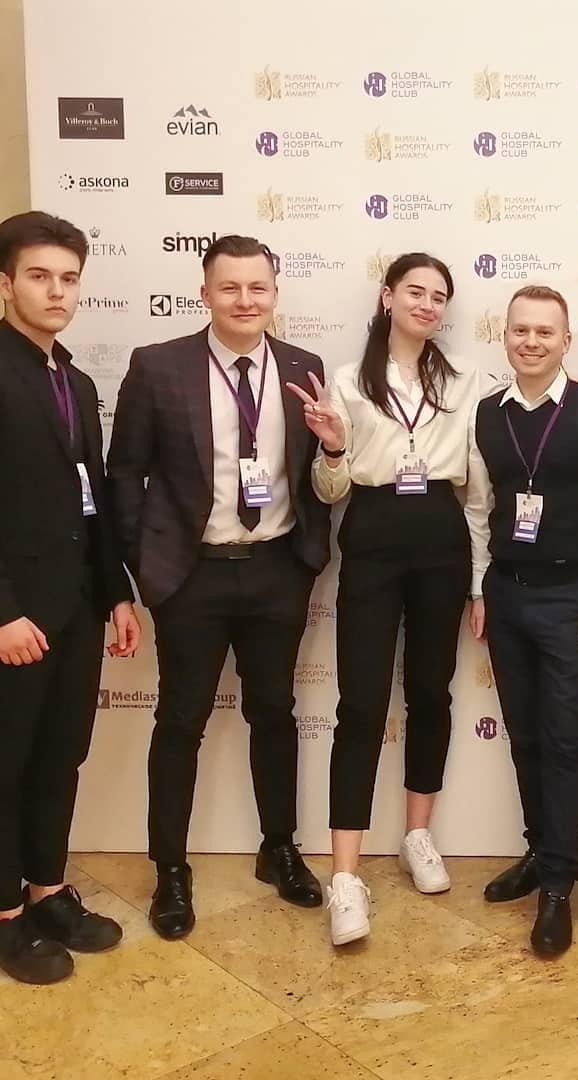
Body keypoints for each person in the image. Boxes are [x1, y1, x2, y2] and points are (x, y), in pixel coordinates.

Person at [107, 234, 331, 940]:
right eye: (229, 287)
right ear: (204, 293)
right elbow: (124, 472)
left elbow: (315, 472)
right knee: (180, 721)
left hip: (277, 569)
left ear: (275, 293)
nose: (244, 300)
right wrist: (145, 565)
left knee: (275, 712)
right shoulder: (158, 365)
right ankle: (170, 870)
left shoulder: (302, 366)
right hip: (191, 575)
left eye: (257, 287)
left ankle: (279, 848)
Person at [292, 253, 481, 946]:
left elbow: (478, 489)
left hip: (441, 538)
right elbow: (330, 492)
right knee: (362, 702)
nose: (427, 305)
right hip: (371, 535)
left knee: (431, 692)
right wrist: (333, 449)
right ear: (387, 296)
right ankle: (345, 875)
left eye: (439, 296)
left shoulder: (464, 381)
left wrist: (481, 579)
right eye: (415, 292)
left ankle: (417, 835)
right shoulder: (346, 381)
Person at [465, 284, 578, 956]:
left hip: (572, 600)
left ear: (567, 340)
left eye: (545, 332)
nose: (531, 341)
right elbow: (479, 510)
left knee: (564, 744)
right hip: (506, 595)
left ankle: (560, 885)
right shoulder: (487, 414)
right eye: (520, 330)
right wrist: (480, 589)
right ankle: (539, 852)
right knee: (525, 738)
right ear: (504, 336)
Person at [0, 212, 139, 985]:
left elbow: (95, 501)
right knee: (6, 763)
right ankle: (5, 915)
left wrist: (116, 595)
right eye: (39, 276)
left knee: (61, 756)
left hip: (77, 607)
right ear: (5, 284)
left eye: (68, 278)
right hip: (14, 614)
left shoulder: (76, 382)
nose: (57, 291)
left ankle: (46, 889)